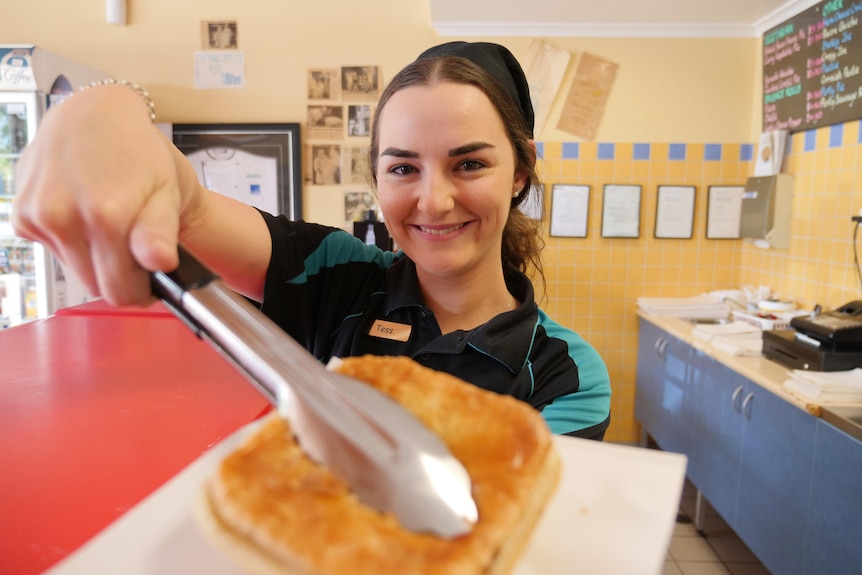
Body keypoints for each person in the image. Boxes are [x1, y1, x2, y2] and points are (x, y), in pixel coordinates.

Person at [12, 41, 612, 440]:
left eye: (470, 164)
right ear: (377, 179)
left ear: (521, 172)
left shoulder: (565, 374)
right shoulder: (337, 275)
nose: (433, 200)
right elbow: (187, 209)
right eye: (403, 168)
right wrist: (99, 110)